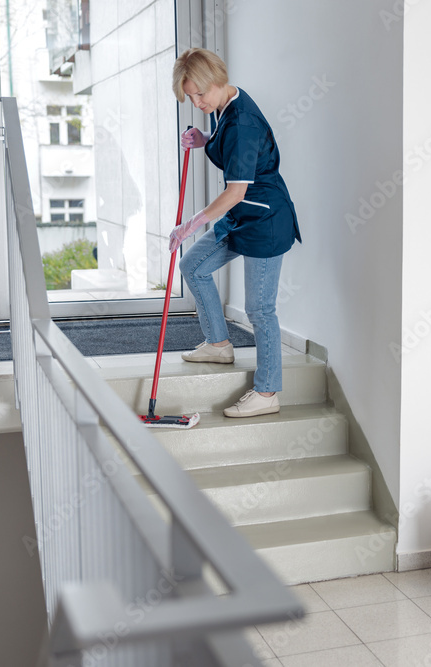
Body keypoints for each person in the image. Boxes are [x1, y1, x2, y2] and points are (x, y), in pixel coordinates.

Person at [170, 48, 302, 418]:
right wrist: (204, 140)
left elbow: (236, 190)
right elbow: (229, 151)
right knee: (193, 266)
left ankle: (267, 392)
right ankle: (218, 344)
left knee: (260, 309)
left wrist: (191, 223)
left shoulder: (242, 122)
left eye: (199, 94)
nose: (196, 103)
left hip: (264, 220)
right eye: (190, 96)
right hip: (241, 214)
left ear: (217, 79)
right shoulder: (227, 103)